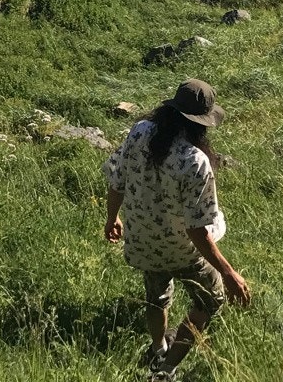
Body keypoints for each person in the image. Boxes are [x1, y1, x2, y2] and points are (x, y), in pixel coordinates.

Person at [104, 79, 251, 380]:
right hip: (183, 250)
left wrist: (111, 218)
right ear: (201, 124)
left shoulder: (140, 132)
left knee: (156, 298)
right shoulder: (195, 161)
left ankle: (158, 347)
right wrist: (228, 272)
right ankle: (167, 368)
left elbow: (117, 180)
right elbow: (198, 229)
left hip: (142, 240)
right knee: (211, 299)